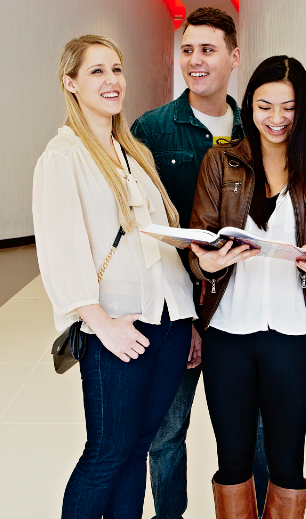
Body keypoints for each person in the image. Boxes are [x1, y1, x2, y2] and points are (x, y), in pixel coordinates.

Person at [32, 35, 197, 519]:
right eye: (97, 71)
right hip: (117, 326)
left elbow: (158, 240)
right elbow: (61, 248)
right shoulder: (65, 156)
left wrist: (185, 318)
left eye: (117, 70)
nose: (112, 81)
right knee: (107, 453)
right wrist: (99, 322)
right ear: (71, 83)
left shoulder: (135, 153)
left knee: (138, 445)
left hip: (166, 322)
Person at [188, 55, 306, 519]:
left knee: (287, 461)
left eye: (288, 107)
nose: (276, 119)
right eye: (264, 106)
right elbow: (199, 241)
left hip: (292, 334)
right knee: (233, 459)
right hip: (227, 332)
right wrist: (210, 262)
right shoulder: (221, 161)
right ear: (249, 107)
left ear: (304, 110)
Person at [131, 7, 270, 519]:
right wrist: (184, 316)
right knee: (168, 432)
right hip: (178, 311)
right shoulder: (152, 130)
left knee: (253, 428)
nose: (195, 61)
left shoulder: (258, 127)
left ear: (234, 58)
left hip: (247, 307)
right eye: (187, 50)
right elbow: (143, 232)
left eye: (207, 50)